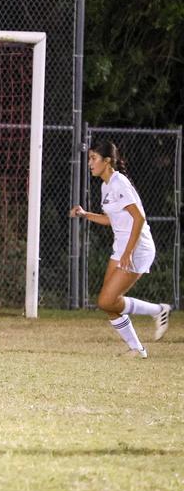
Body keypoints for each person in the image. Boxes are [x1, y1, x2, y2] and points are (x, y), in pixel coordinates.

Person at [70, 139, 170, 358]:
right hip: (122, 247)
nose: (90, 163)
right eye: (89, 158)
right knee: (109, 304)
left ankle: (158, 310)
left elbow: (139, 218)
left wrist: (128, 252)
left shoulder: (119, 182)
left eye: (93, 158)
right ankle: (137, 349)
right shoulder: (105, 186)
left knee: (106, 300)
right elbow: (111, 220)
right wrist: (85, 214)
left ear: (107, 161)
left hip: (138, 248)